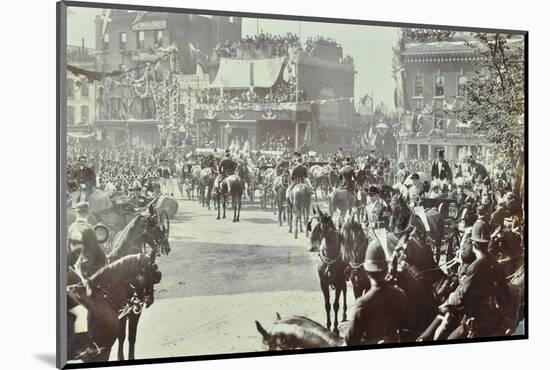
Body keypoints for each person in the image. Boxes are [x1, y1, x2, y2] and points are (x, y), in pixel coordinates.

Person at [439, 218, 513, 339]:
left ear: (473, 245)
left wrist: (448, 302)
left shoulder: (474, 267)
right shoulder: (496, 264)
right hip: (493, 315)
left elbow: (462, 296)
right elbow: (504, 292)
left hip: (475, 318)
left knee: (449, 338)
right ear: (488, 242)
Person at [345, 240, 411, 345]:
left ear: (367, 272)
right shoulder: (400, 295)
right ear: (386, 271)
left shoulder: (363, 303)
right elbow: (408, 327)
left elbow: (350, 340)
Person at [67, 202, 106, 280]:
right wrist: (106, 258)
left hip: (72, 266)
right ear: (88, 213)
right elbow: (94, 251)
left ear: (76, 213)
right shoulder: (88, 229)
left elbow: (69, 248)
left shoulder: (71, 227)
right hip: (86, 270)